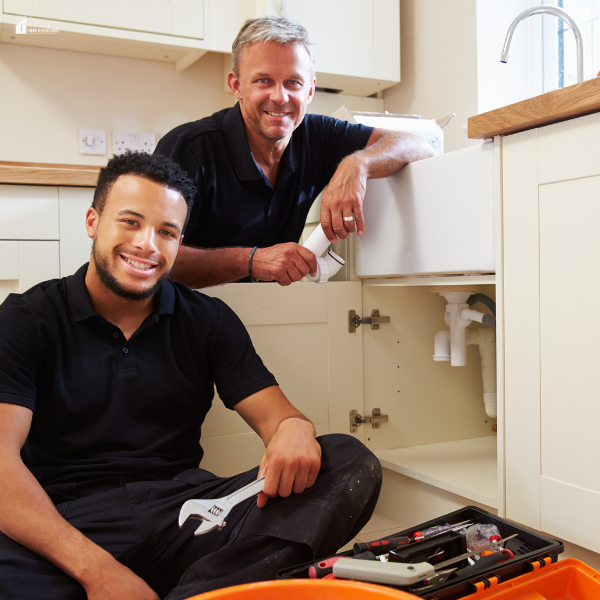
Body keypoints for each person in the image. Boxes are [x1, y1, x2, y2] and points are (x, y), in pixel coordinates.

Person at [0, 151, 381, 600]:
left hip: (187, 514)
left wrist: (293, 428)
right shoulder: (26, 319)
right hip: (70, 521)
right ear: (92, 222)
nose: (147, 245)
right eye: (130, 222)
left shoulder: (208, 320)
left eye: (166, 232)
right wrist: (98, 571)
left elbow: (276, 416)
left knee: (348, 460)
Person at [155, 16, 434, 288]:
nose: (280, 97)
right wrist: (250, 260)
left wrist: (358, 163)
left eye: (293, 83)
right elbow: (151, 255)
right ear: (237, 86)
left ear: (310, 90)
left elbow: (420, 144)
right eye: (263, 81)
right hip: (181, 318)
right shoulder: (188, 147)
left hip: (265, 310)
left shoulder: (319, 135)